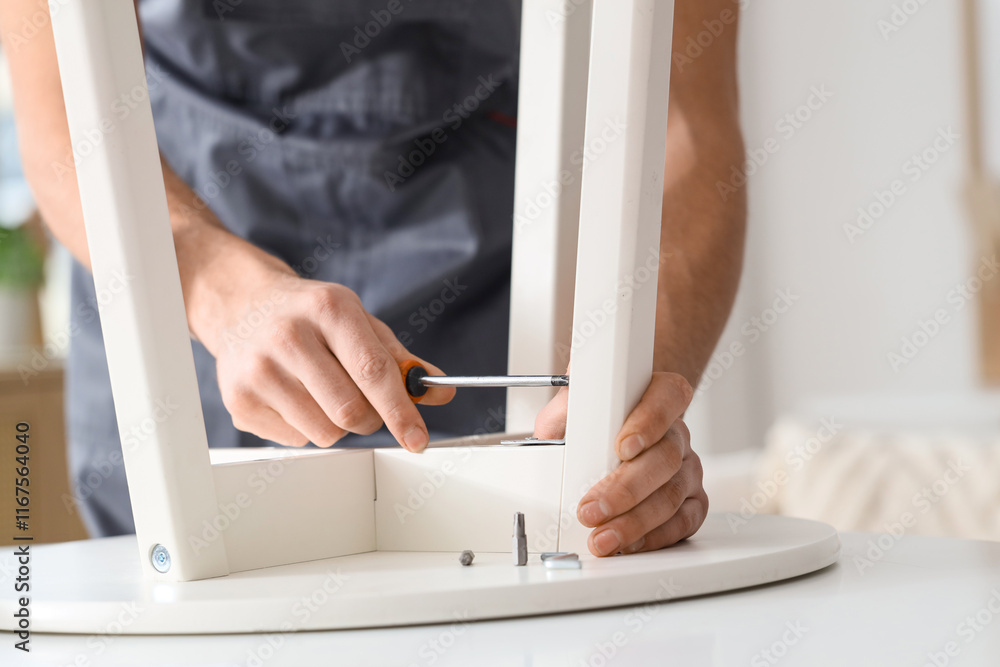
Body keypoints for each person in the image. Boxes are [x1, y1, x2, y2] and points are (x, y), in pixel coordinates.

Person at [0, 0, 746, 558]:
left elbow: (688, 125)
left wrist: (628, 401)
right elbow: (58, 118)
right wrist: (214, 285)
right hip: (177, 275)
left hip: (497, 279)